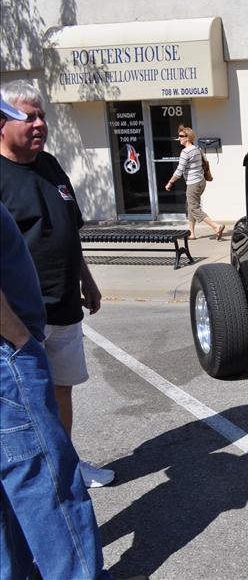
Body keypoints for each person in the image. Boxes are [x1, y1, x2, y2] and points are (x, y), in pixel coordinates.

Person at [1, 97, 110, 579]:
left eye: (42, 116)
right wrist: (18, 337)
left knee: (60, 393)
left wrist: (86, 279)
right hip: (22, 325)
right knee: (34, 458)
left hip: (62, 305)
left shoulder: (48, 166)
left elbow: (69, 229)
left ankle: (65, 454)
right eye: (28, 117)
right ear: (3, 124)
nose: (39, 124)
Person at [165, 125, 225, 240]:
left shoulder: (185, 152)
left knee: (194, 208)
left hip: (193, 184)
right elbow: (205, 162)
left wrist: (170, 182)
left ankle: (216, 226)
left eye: (181, 136)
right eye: (179, 136)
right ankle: (191, 233)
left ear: (188, 137)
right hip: (201, 181)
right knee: (190, 206)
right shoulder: (197, 149)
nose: (179, 138)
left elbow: (179, 171)